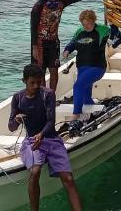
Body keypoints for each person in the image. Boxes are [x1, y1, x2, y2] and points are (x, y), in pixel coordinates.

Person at [9, 64, 83, 211]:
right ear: (24, 81)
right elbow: (11, 127)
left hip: (51, 139)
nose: (36, 86)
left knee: (68, 178)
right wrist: (16, 120)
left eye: (39, 82)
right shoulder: (18, 98)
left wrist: (41, 135)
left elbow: (51, 121)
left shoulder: (48, 94)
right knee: (35, 172)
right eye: (32, 83)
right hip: (31, 141)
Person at [31, 0, 98, 92]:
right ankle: (43, 97)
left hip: (53, 43)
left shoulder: (61, 2)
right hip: (39, 44)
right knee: (40, 72)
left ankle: (52, 96)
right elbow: (33, 27)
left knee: (54, 70)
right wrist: (34, 47)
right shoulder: (38, 6)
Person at [61, 10, 121, 121]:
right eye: (83, 24)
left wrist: (114, 25)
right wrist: (67, 50)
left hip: (97, 67)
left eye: (88, 24)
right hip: (82, 67)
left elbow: (117, 39)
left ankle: (76, 114)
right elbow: (73, 42)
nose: (86, 26)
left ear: (94, 20)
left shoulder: (102, 30)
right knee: (85, 97)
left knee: (78, 86)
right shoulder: (80, 31)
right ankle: (97, 115)